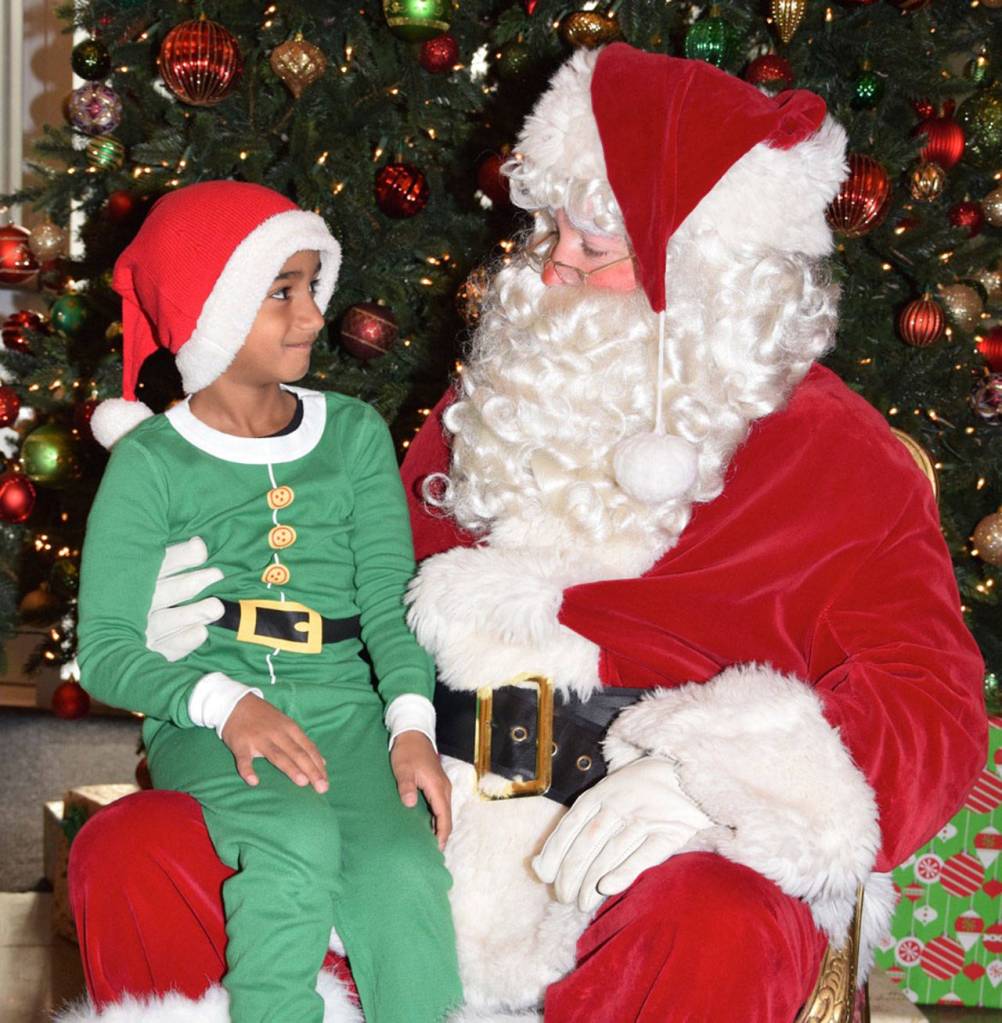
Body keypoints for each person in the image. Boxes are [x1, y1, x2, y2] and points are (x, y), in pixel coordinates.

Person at [62, 45, 986, 1023]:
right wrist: (202, 621)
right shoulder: (494, 404)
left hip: (647, 865)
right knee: (138, 852)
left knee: (717, 921)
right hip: (420, 814)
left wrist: (724, 785)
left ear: (708, 273)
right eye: (549, 230)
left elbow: (931, 706)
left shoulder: (838, 456)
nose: (552, 266)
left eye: (595, 244)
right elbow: (351, 600)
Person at [75, 180, 462, 1023]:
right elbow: (104, 650)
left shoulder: (354, 433)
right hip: (210, 717)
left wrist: (411, 727)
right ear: (212, 309)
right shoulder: (152, 462)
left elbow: (390, 604)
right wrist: (225, 703)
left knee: (404, 872)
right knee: (294, 838)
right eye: (280, 292)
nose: (314, 316)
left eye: (311, 286)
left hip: (348, 711)